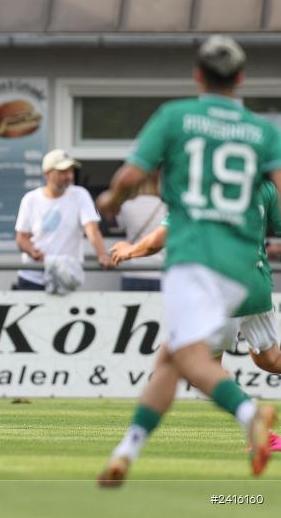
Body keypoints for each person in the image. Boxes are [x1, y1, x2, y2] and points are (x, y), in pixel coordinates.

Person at [96, 35, 281, 485]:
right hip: (242, 267)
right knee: (172, 361)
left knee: (189, 356)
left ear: (197, 75)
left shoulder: (176, 116)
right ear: (240, 78)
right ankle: (126, 451)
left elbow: (131, 174)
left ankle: (250, 414)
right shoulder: (263, 131)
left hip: (194, 255)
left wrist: (112, 198)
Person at [110, 181, 281, 454]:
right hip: (257, 284)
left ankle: (259, 427)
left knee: (200, 369)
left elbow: (156, 242)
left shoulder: (198, 188)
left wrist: (128, 250)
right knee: (269, 360)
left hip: (221, 290)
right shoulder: (264, 185)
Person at [14, 149, 111, 290]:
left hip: (67, 277)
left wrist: (102, 255)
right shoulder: (30, 199)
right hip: (32, 278)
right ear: (47, 174)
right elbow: (21, 238)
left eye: (71, 171)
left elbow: (92, 229)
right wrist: (31, 251)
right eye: (62, 172)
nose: (69, 176)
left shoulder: (80, 195)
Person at [114, 172, 167, 291]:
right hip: (158, 272)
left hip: (132, 271)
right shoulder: (164, 206)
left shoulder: (127, 205)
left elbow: (120, 225)